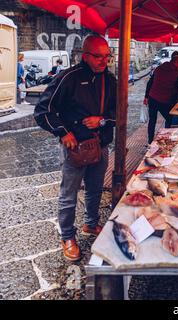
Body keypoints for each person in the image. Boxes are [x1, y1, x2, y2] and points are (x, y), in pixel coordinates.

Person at [34, 35, 117, 261]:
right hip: (75, 148)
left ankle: (90, 224)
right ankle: (68, 236)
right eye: (98, 56)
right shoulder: (67, 78)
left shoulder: (110, 80)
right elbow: (43, 111)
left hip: (100, 145)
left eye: (107, 56)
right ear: (85, 55)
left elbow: (118, 112)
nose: (104, 61)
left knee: (95, 189)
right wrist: (63, 132)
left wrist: (101, 120)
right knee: (68, 195)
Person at [144, 51, 178, 143]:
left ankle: (150, 141)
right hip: (163, 100)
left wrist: (146, 96)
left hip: (152, 97)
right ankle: (168, 138)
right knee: (170, 119)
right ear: (176, 62)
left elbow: (150, 82)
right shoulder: (176, 72)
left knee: (152, 120)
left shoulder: (159, 68)